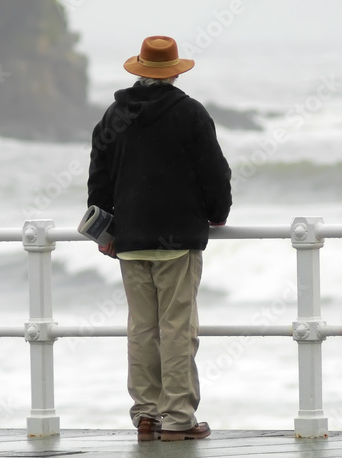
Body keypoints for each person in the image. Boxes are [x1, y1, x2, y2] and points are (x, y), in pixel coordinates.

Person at [86, 36, 232, 441]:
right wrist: (218, 214)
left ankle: (147, 415)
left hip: (130, 239)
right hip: (178, 241)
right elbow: (215, 174)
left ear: (139, 70)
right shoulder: (190, 113)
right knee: (178, 328)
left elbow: (99, 175)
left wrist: (105, 228)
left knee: (142, 329)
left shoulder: (116, 114)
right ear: (175, 71)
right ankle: (179, 418)